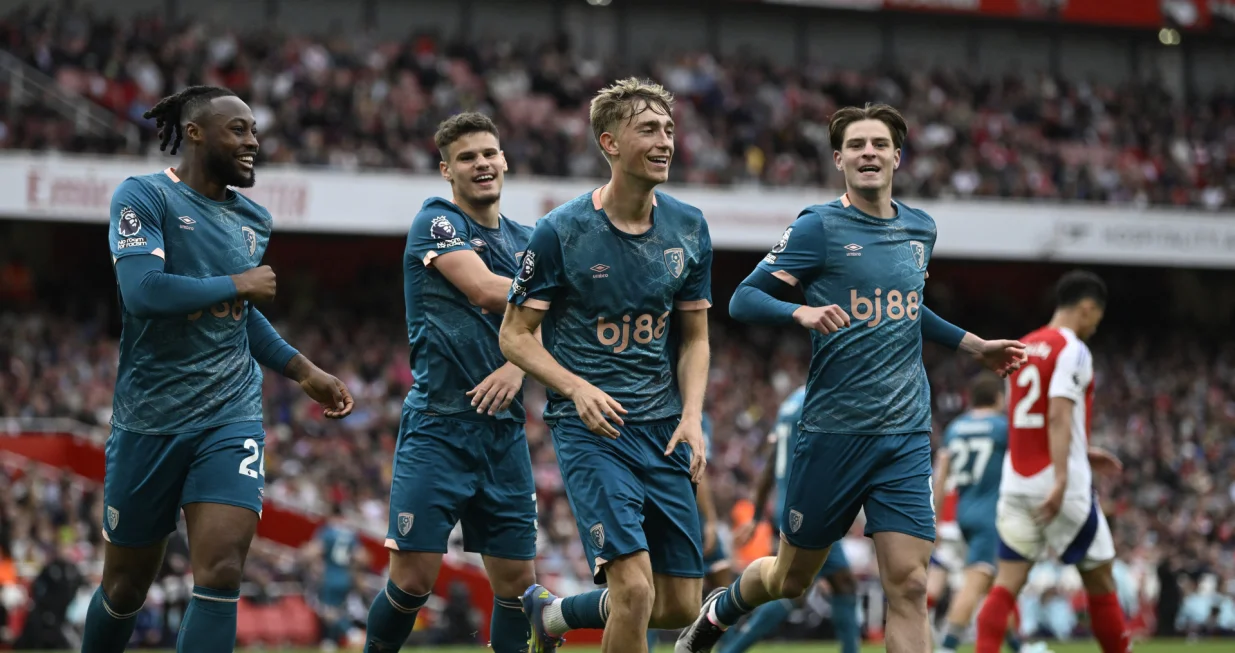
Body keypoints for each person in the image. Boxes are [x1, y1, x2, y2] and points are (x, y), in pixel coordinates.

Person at [676, 102, 1027, 653]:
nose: (869, 153)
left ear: (897, 156)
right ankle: (722, 608)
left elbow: (908, 306)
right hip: (833, 434)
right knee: (791, 579)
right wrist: (802, 312)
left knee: (910, 585)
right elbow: (744, 297)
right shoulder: (819, 226)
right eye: (857, 146)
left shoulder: (920, 227)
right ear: (839, 159)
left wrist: (973, 343)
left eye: (879, 144)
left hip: (905, 434)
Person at [85, 85, 355, 653]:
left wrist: (303, 370)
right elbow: (142, 292)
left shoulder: (252, 218)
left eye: (255, 130)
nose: (253, 141)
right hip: (149, 418)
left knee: (223, 569)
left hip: (230, 417)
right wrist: (241, 283)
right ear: (194, 132)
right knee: (126, 585)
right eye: (239, 129)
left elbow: (237, 318)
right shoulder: (144, 196)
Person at [499, 77, 713, 653]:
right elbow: (515, 336)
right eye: (648, 129)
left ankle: (555, 617)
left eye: (668, 129)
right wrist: (576, 390)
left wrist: (693, 416)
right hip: (593, 429)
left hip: (663, 427)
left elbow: (695, 338)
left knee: (681, 605)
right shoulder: (560, 231)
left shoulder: (689, 227)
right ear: (610, 142)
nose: (665, 140)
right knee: (636, 592)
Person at [363, 112, 538, 653]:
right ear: (447, 170)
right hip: (439, 426)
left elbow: (548, 326)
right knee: (413, 581)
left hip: (504, 435)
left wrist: (518, 364)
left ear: (504, 160)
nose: (481, 164)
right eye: (467, 157)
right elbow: (486, 290)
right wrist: (554, 298)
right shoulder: (436, 223)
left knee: (517, 588)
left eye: (489, 153)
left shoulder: (527, 240)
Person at [974, 271, 1130, 653]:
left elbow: (1026, 418)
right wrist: (1062, 476)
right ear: (1087, 308)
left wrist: (1081, 449)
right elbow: (1058, 413)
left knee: (1006, 585)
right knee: (1102, 582)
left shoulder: (1023, 346)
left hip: (1017, 481)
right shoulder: (1072, 348)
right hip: (1060, 483)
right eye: (1097, 318)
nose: (1095, 326)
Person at [722, 385, 861, 653]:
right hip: (809, 506)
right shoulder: (824, 398)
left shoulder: (792, 402)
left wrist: (756, 513)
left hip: (794, 503)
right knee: (791, 587)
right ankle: (732, 648)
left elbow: (772, 460)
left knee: (843, 582)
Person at [933, 373, 1049, 653]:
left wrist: (935, 517)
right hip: (989, 514)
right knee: (974, 583)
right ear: (998, 397)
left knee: (994, 586)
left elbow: (941, 475)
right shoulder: (1001, 427)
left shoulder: (955, 427)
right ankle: (947, 647)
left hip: (963, 512)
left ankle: (1019, 646)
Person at [301, 504, 368, 647]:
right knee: (338, 609)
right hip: (346, 576)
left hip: (330, 576)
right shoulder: (350, 534)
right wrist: (355, 570)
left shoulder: (327, 532)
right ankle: (330, 642)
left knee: (329, 611)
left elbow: (314, 551)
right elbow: (362, 557)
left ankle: (352, 633)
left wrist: (305, 556)